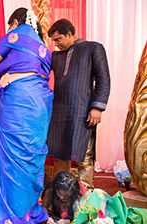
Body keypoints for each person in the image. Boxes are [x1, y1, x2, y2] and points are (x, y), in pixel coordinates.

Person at [0, 8, 53, 224]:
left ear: (14, 22)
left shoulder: (16, 34)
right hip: (39, 102)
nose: (7, 30)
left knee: (12, 156)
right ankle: (29, 209)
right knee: (30, 153)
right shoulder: (43, 46)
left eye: (7, 25)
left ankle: (14, 216)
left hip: (19, 99)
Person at [45, 19, 111, 189]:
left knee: (84, 157)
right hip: (59, 112)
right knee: (60, 156)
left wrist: (97, 107)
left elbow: (103, 78)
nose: (56, 44)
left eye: (58, 39)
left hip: (83, 111)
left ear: (69, 34)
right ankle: (61, 195)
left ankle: (85, 199)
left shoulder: (92, 48)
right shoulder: (56, 56)